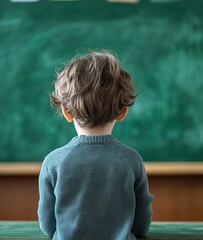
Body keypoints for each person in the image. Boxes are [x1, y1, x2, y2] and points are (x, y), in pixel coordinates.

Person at [37, 50, 154, 240]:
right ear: (122, 112)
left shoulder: (53, 162)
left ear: (67, 112)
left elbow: (47, 225)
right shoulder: (132, 160)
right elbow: (142, 225)